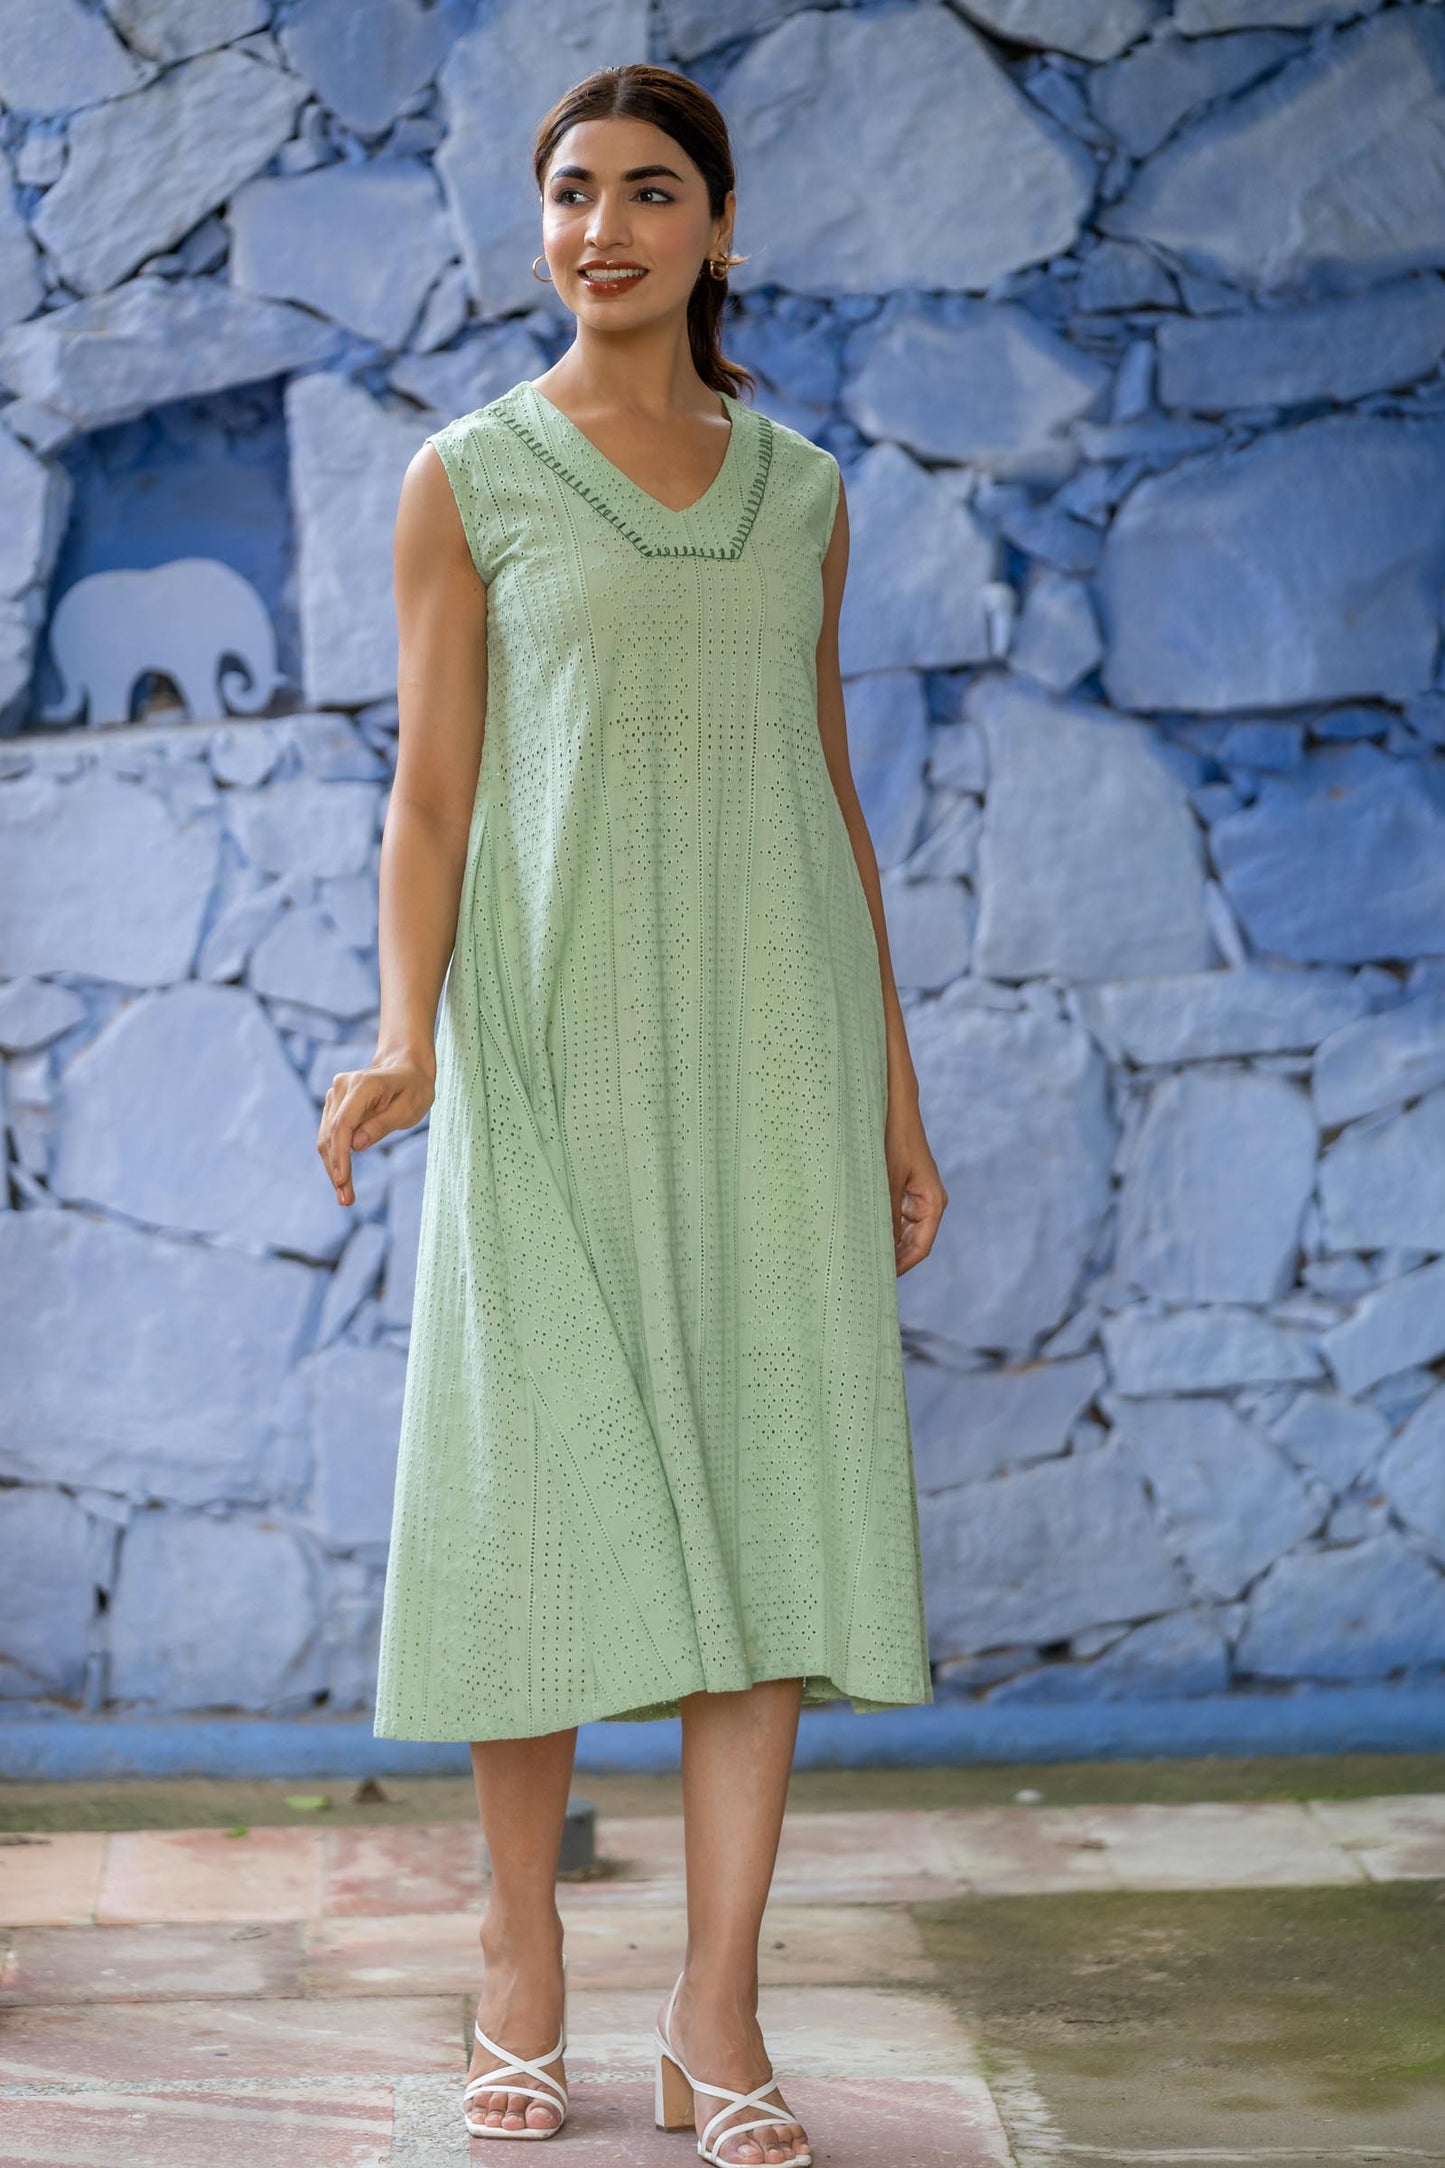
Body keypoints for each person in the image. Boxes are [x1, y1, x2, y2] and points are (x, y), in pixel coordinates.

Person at [316, 60, 947, 2167]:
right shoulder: (468, 478)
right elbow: (428, 796)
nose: (605, 226)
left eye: (651, 190)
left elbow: (828, 794)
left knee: (766, 1493)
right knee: (530, 1509)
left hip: (775, 1048)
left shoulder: (805, 492)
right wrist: (407, 1030)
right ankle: (520, 1963)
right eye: (573, 191)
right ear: (542, 229)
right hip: (546, 1045)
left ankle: (715, 2005)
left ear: (721, 227)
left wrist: (891, 1091)